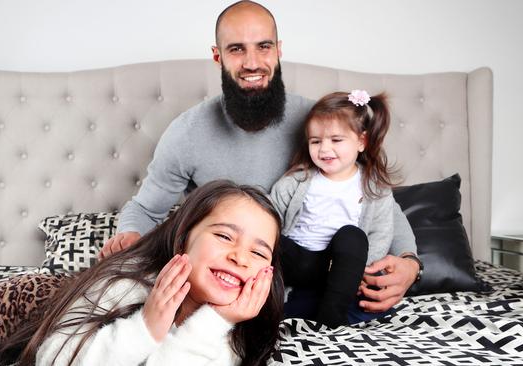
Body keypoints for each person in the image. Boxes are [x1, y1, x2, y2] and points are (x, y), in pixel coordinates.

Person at [100, 0, 421, 313]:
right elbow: (145, 208)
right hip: (244, 277)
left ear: (278, 50)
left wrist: (409, 262)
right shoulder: (187, 133)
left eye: (263, 47)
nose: (252, 62)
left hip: (327, 270)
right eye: (237, 49)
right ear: (218, 56)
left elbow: (376, 200)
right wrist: (130, 236)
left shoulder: (319, 125)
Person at [0, 181, 284, 366]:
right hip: (16, 306)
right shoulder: (129, 279)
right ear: (184, 239)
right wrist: (145, 326)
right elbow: (53, 359)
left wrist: (213, 322)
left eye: (258, 252)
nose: (240, 257)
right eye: (224, 236)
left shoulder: (235, 333)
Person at [270, 90, 399, 327]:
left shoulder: (375, 189)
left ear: (362, 141)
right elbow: (270, 220)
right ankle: (290, 304)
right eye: (316, 141)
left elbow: (381, 234)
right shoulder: (295, 182)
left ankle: (331, 318)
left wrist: (361, 270)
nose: (324, 149)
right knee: (272, 240)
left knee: (354, 237)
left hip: (340, 272)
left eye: (336, 140)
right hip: (299, 266)